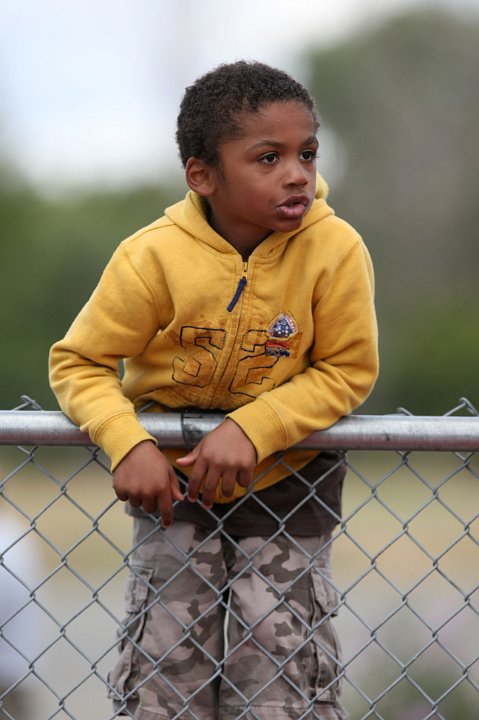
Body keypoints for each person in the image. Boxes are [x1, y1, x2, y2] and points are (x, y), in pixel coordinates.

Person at [49, 60, 378, 720]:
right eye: (267, 157)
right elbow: (78, 363)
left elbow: (347, 370)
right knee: (167, 675)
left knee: (281, 674)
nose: (296, 173)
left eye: (305, 153)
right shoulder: (153, 256)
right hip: (172, 487)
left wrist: (253, 429)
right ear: (202, 175)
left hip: (289, 483)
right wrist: (127, 444)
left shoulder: (334, 248)